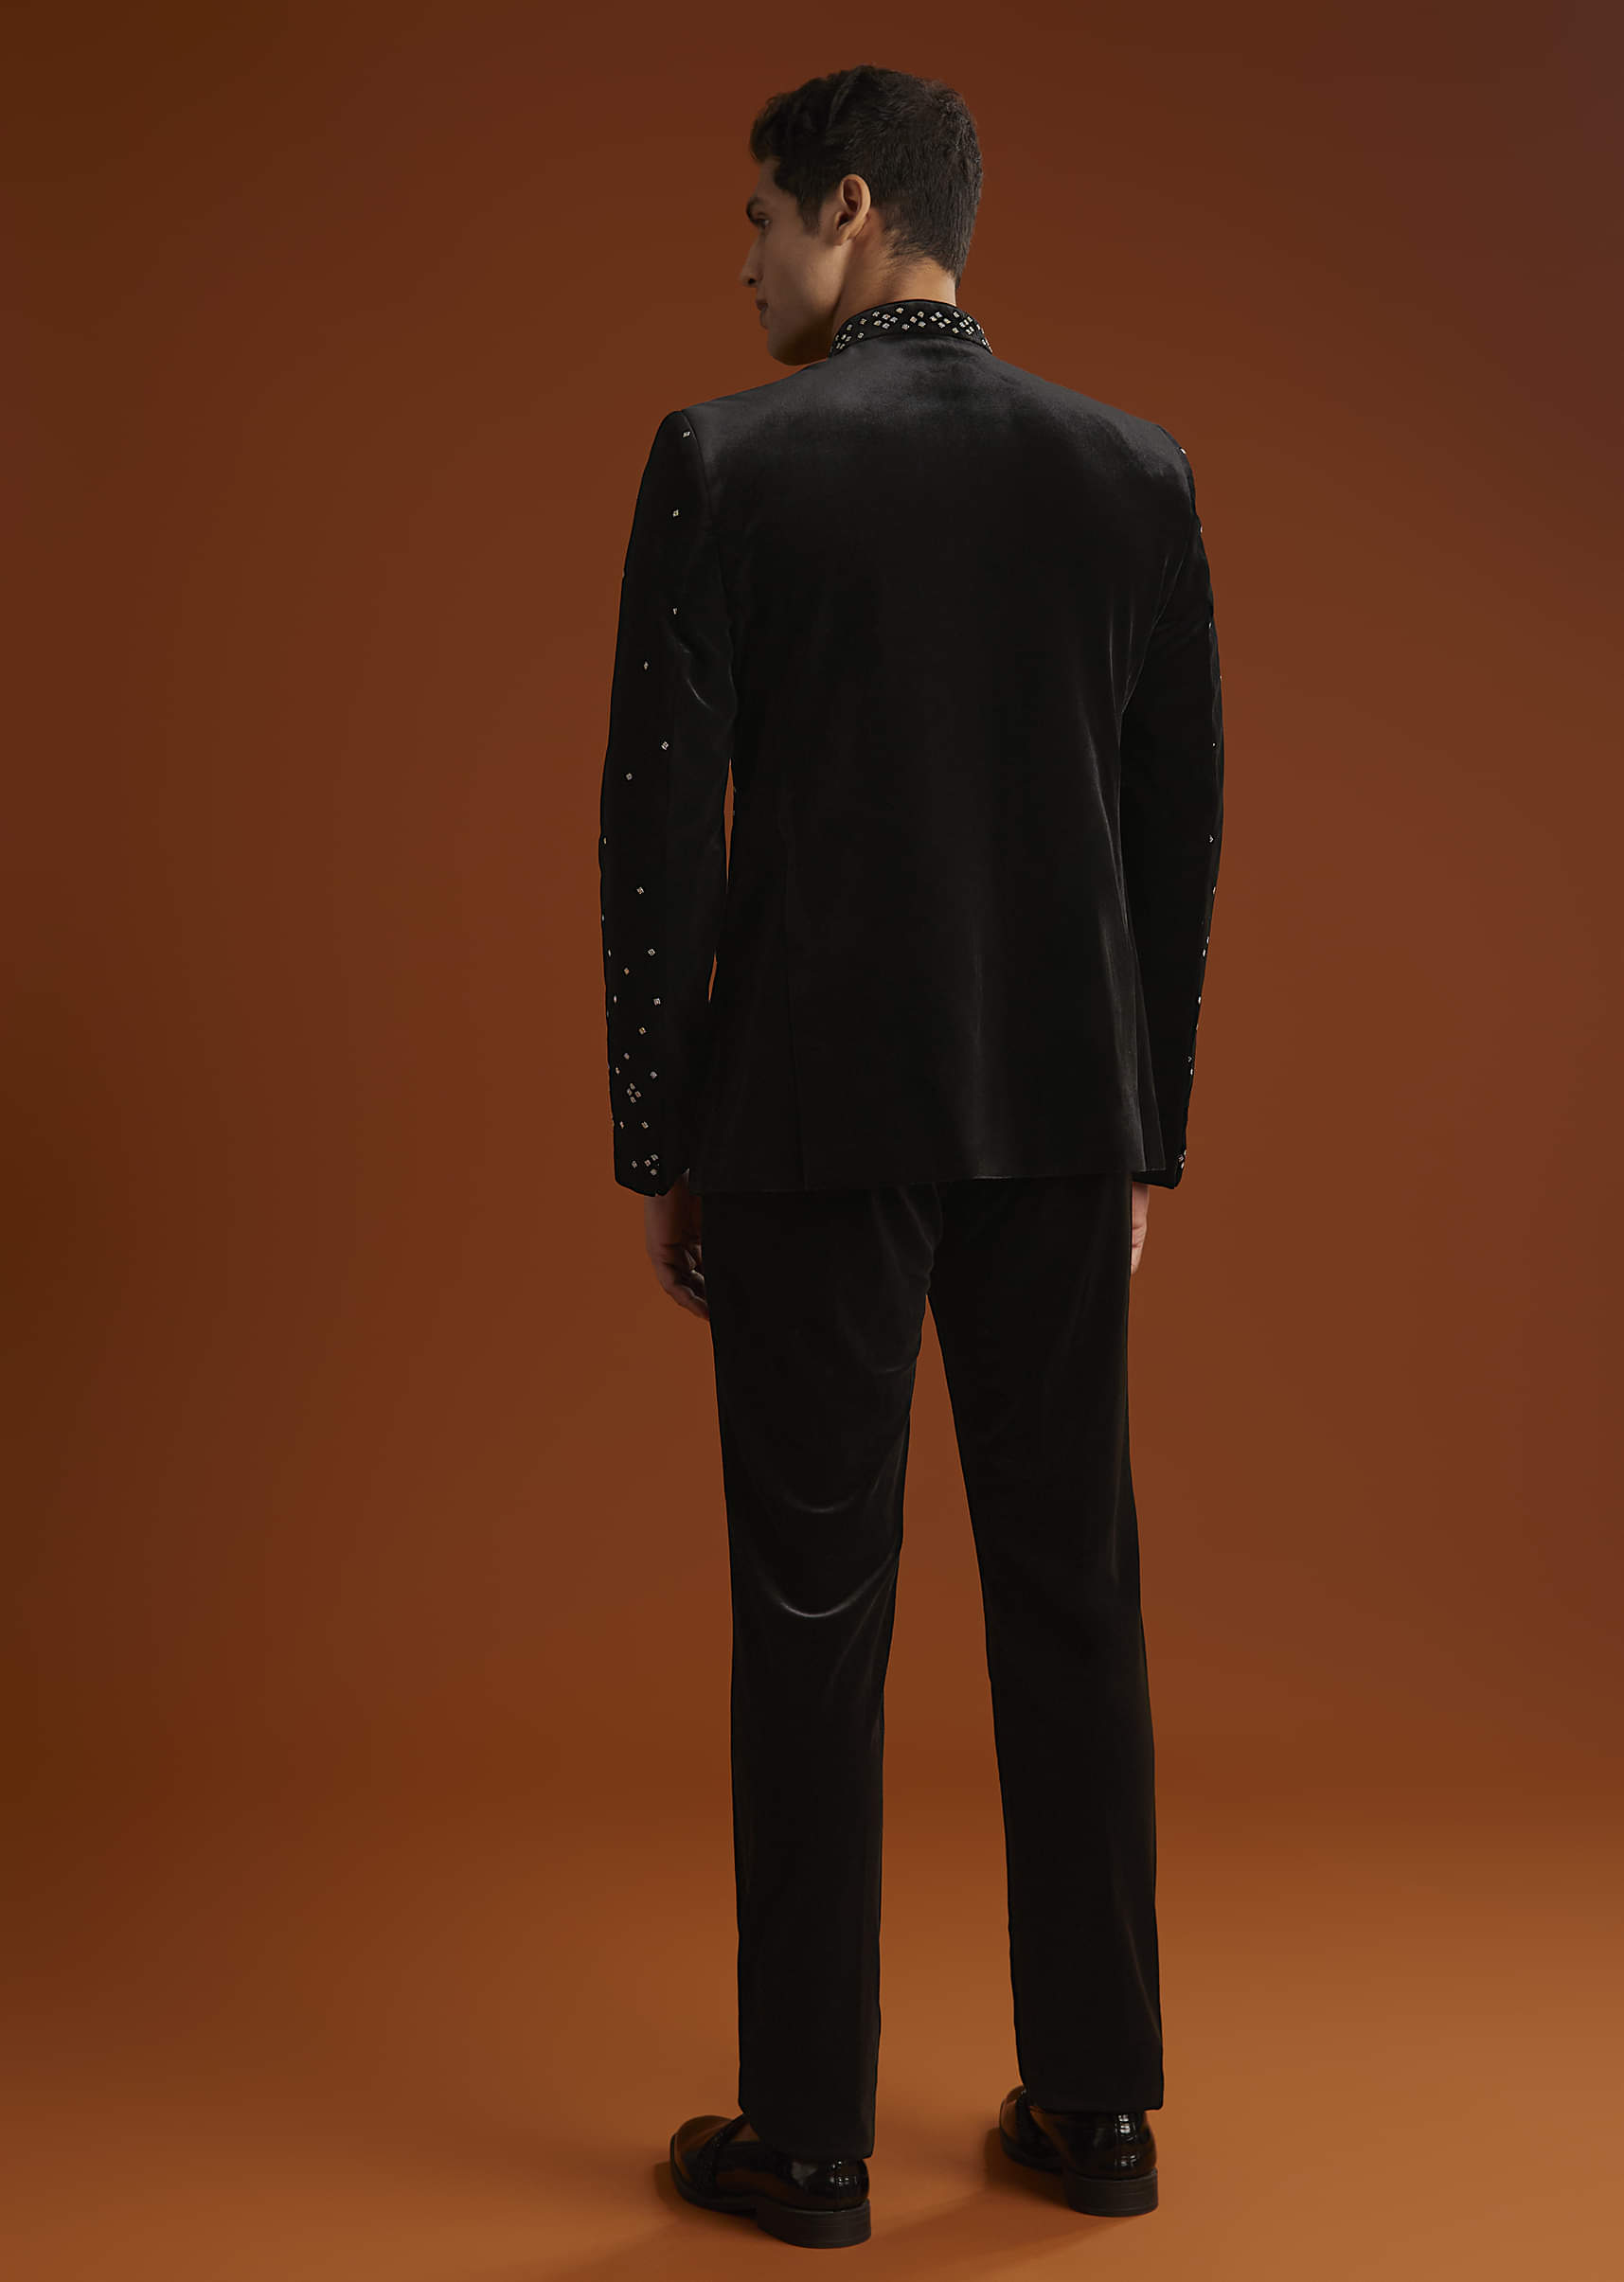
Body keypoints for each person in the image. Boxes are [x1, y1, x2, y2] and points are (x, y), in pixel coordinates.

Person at [597, 62, 1222, 2251]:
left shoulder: (726, 461)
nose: (746, 264)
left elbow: (660, 835)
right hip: (1059, 1113)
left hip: (804, 1118)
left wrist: (664, 1130)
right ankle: (1104, 2106)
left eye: (761, 220)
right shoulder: (1133, 470)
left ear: (852, 210)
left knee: (810, 1615)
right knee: (1075, 1591)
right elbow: (1174, 835)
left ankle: (812, 2139)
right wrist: (1139, 1133)